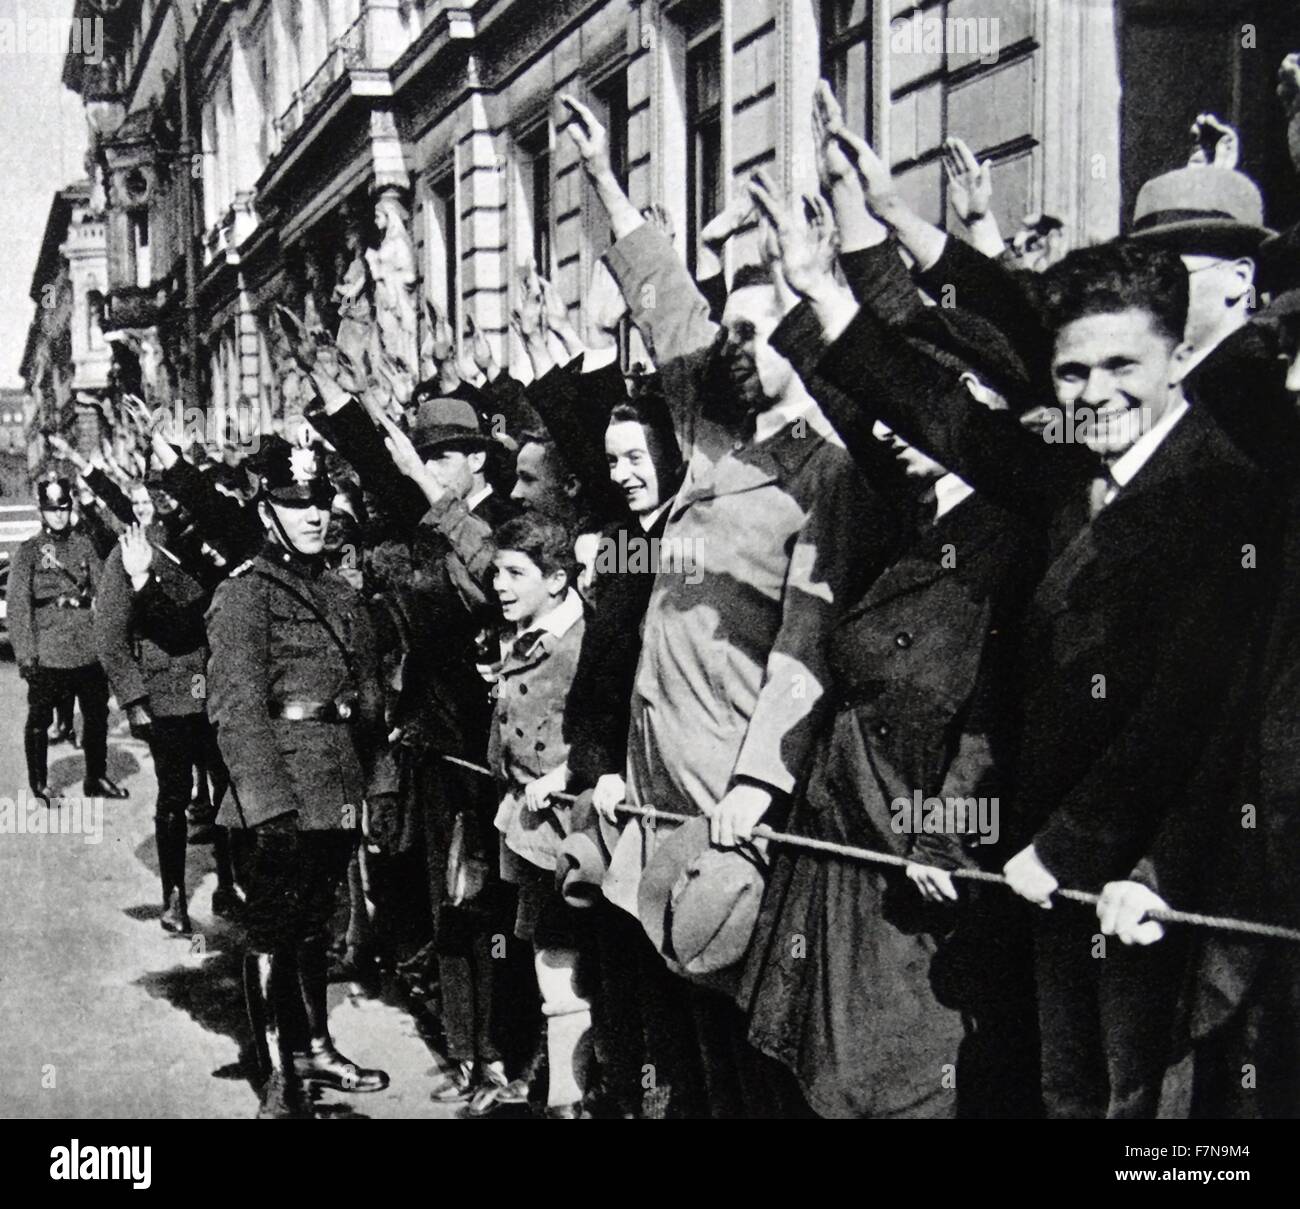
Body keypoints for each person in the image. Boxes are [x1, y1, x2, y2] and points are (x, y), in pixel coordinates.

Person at [806, 114, 1279, 1118]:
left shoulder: (1224, 492)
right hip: (1049, 874)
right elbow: (949, 419)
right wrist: (838, 292)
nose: (1094, 394)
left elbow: (1183, 714)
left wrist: (1071, 849)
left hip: (1163, 872)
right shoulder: (1068, 474)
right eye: (1072, 374)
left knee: (1151, 1113)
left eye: (1121, 370)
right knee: (1066, 1092)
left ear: (1169, 363)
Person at [206, 437, 393, 1119]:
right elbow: (235, 707)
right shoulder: (246, 593)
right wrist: (267, 805)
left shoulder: (339, 590)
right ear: (267, 510)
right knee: (274, 928)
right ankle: (278, 1074)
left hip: (336, 783)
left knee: (316, 924)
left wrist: (377, 784)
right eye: (295, 502)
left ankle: (314, 1045)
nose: (313, 514)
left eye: (318, 500)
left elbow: (368, 698)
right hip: (281, 788)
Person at [488, 511, 591, 1117]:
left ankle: (568, 1100)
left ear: (556, 580)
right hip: (526, 826)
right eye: (497, 572)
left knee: (563, 961)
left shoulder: (581, 641)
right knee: (540, 955)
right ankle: (550, 1090)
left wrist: (566, 773)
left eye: (514, 573)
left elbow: (606, 725)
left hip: (571, 830)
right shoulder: (528, 633)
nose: (499, 585)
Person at [96, 510, 240, 936]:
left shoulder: (217, 539)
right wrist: (135, 698)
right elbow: (109, 633)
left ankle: (230, 884)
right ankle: (174, 895)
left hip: (218, 689)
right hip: (169, 695)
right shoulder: (137, 546)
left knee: (229, 790)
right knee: (174, 795)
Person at [8, 476, 128, 805]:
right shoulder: (29, 552)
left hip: (87, 648)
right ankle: (39, 784)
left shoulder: (85, 546)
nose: (58, 515)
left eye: (63, 508)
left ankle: (96, 776)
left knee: (96, 716)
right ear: (41, 512)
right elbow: (18, 609)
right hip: (48, 652)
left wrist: (107, 645)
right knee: (40, 719)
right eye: (51, 509)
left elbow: (104, 593)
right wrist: (26, 657)